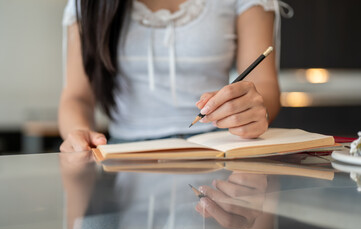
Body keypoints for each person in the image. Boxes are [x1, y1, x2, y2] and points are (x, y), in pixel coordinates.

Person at [59, 0, 281, 153]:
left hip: (221, 146)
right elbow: (77, 97)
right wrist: (79, 133)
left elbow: (265, 86)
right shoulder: (87, 5)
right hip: (125, 157)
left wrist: (255, 111)